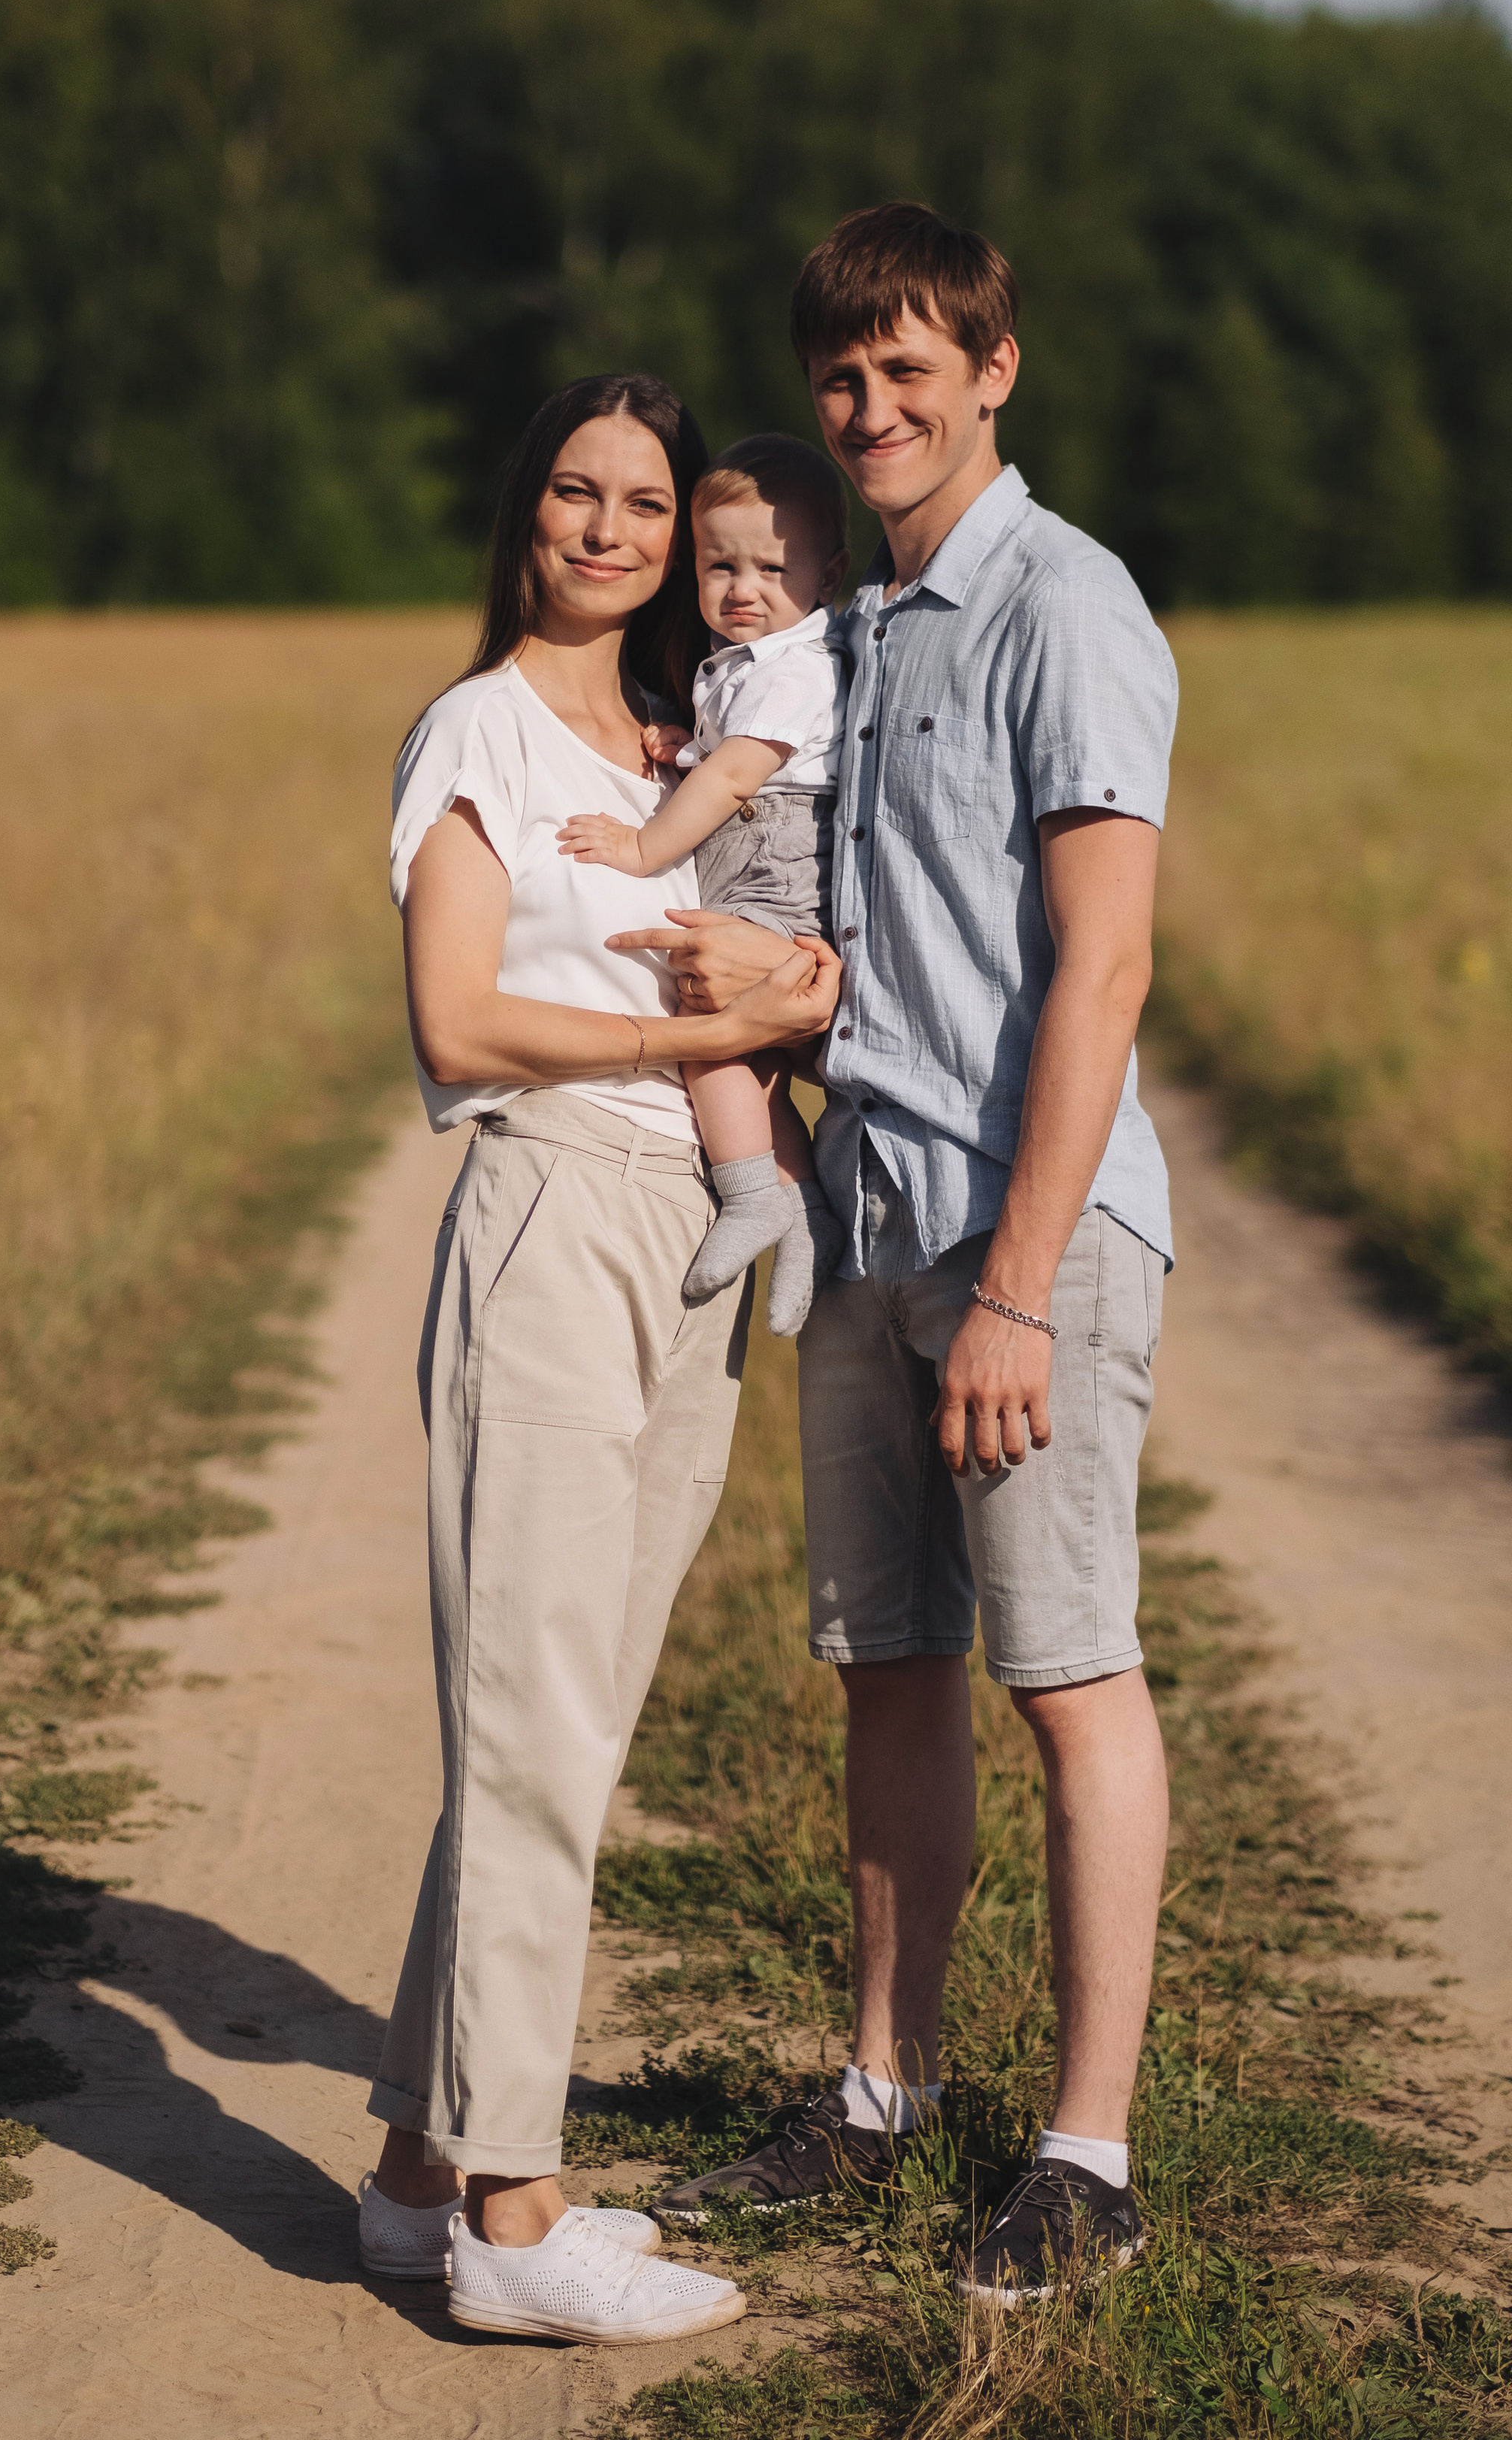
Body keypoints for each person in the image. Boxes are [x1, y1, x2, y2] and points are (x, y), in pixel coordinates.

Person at [614, 204, 1176, 2307]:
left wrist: (1017, 1281)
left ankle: (1087, 2158)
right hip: (859, 1220)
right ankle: (884, 2091)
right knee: (888, 1667)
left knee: (1067, 1670)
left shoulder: (1062, 605)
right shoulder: (854, 633)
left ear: (993, 369)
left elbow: (1099, 970)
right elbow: (869, 928)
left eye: (908, 368)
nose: (868, 409)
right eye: (840, 377)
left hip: (1023, 1234)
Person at [360, 371, 839, 2347]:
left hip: (686, 1241)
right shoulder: (475, 730)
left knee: (567, 1712)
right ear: (528, 509)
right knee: (532, 1714)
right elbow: (458, 1023)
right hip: (554, 1206)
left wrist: (797, 984)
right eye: (577, 489)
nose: (610, 528)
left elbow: (784, 930)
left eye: (646, 502)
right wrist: (683, 1041)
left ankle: (416, 2181)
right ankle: (513, 2213)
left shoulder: (682, 736)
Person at [557, 434, 851, 1339]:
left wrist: (642, 847)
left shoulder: (798, 666)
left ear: (828, 575)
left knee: (708, 1030)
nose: (742, 589)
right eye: (721, 566)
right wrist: (686, 745)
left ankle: (752, 1193)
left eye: (772, 568)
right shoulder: (748, 664)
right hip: (753, 862)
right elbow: (725, 758)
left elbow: (735, 780)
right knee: (746, 1056)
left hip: (776, 875)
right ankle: (800, 1206)